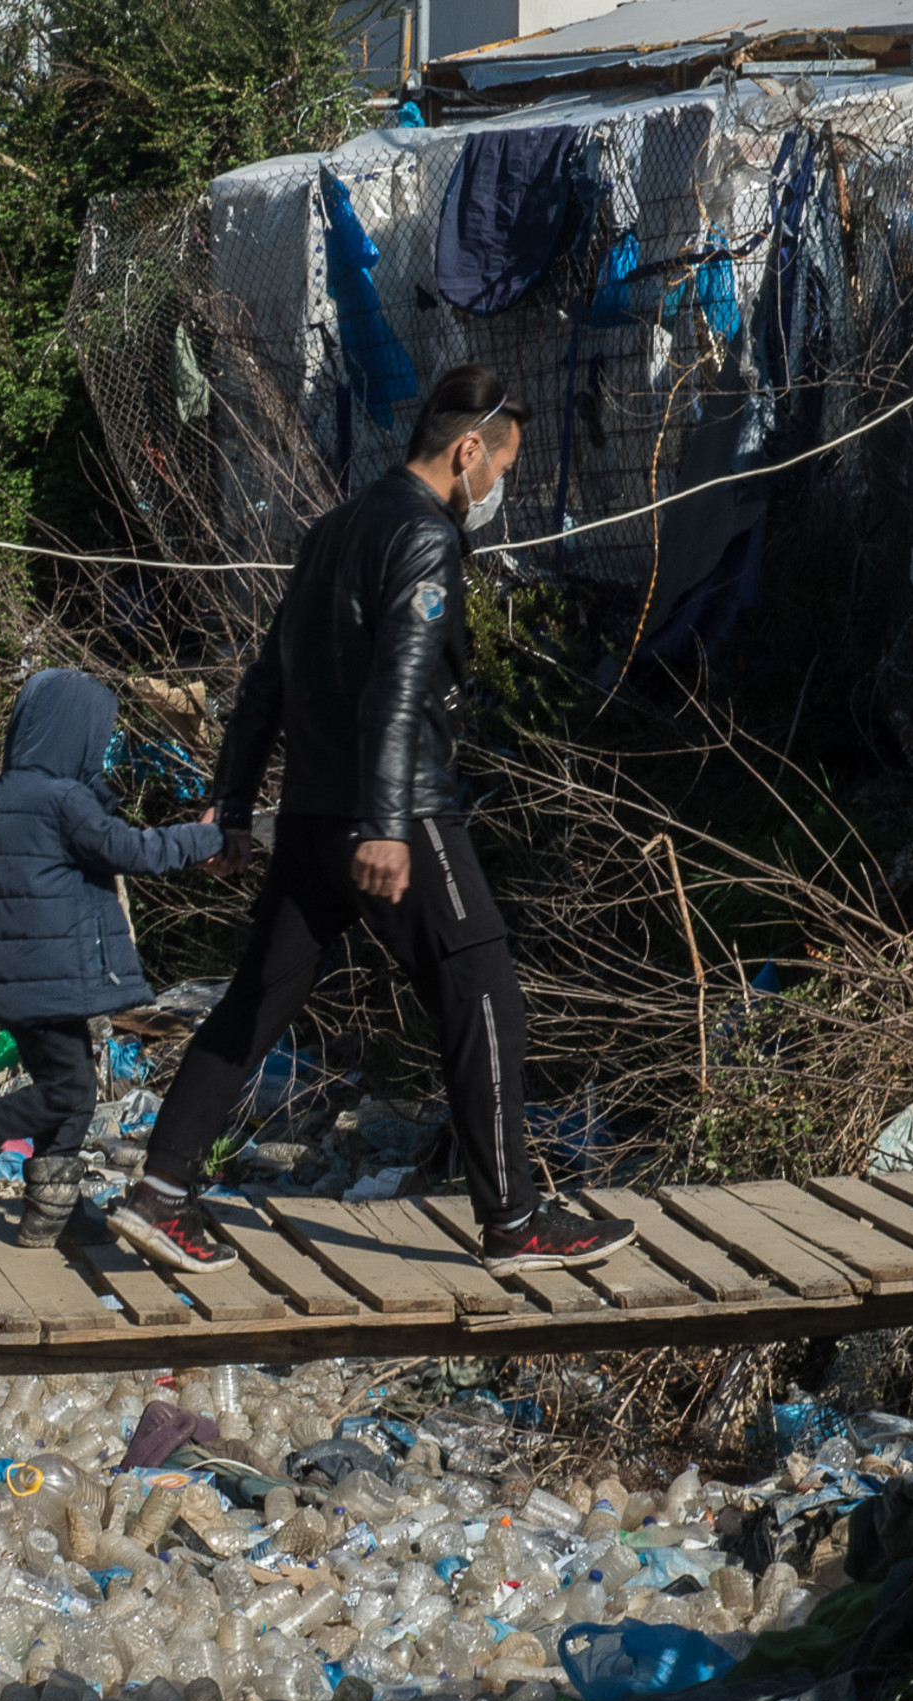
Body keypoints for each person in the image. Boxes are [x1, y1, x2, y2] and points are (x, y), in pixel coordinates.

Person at [103, 364, 634, 1280]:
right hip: (400, 812)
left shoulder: (333, 530)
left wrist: (232, 802)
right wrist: (388, 823)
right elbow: (399, 692)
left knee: (256, 1001)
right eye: (500, 467)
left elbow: (267, 678)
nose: (497, 488)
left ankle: (158, 1194)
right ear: (470, 451)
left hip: (309, 811)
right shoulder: (425, 539)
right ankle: (515, 1222)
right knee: (484, 992)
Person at [0, 669, 225, 1246]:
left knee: (69, 1084)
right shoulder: (63, 800)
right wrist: (209, 837)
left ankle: (51, 1216)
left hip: (7, 978)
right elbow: (132, 850)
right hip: (44, 977)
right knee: (66, 1091)